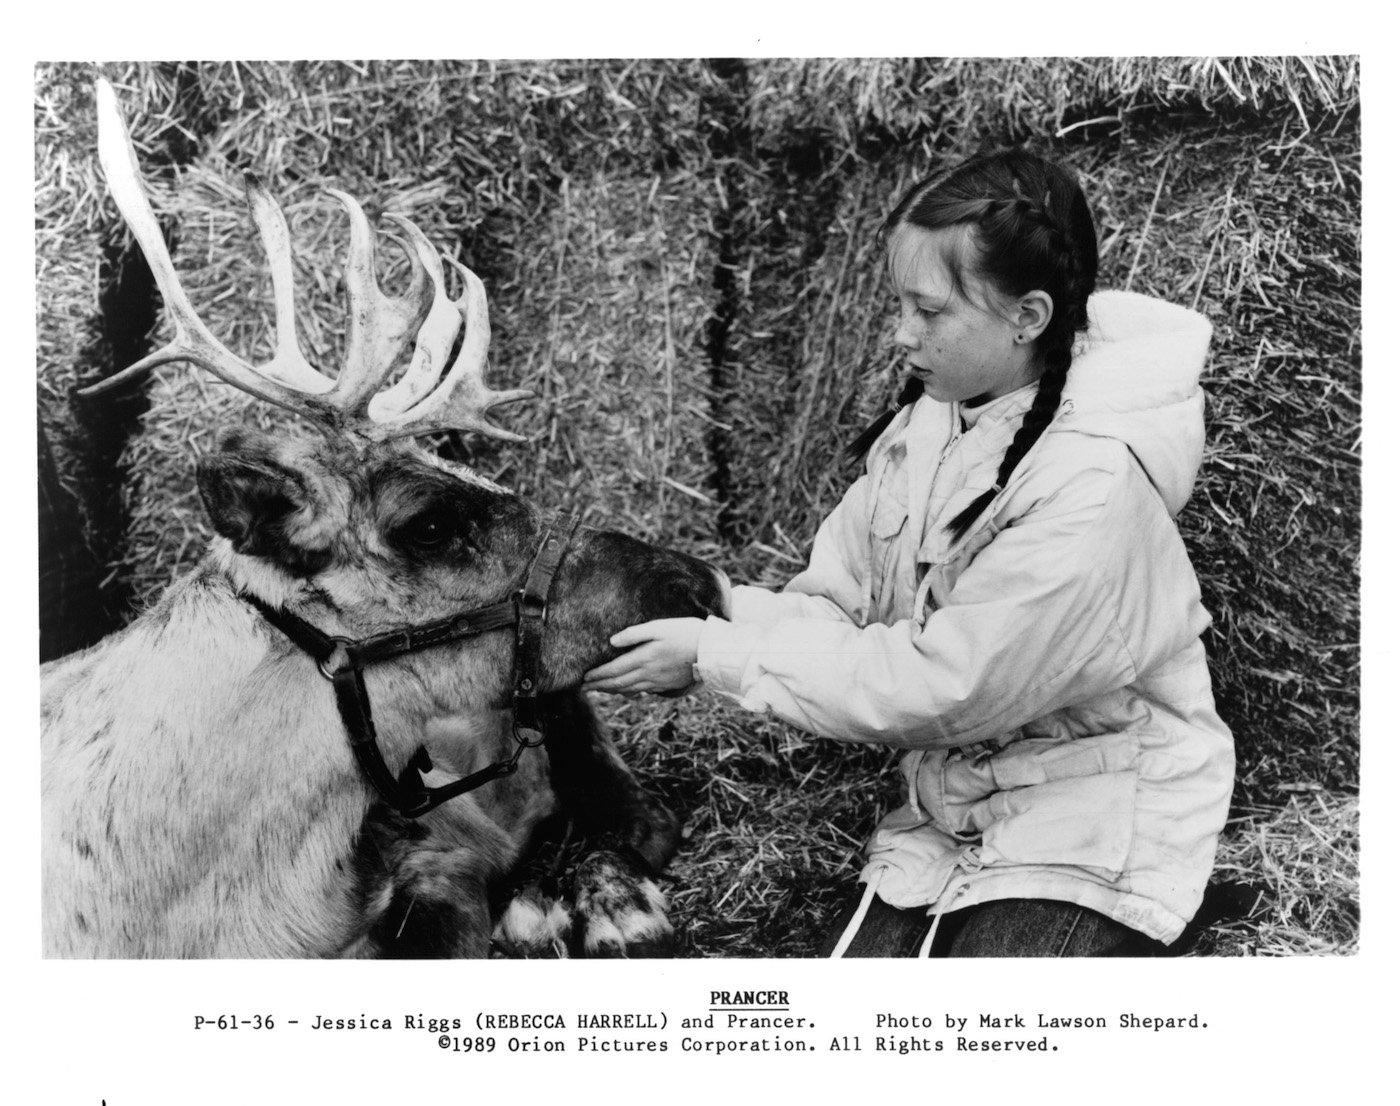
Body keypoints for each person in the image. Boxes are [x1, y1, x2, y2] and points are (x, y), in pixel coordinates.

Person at [582, 149, 1234, 957]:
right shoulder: (931, 425)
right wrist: (708, 600)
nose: (900, 334)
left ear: (1027, 317)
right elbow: (839, 607)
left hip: (1097, 810)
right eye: (901, 306)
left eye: (928, 312)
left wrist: (719, 657)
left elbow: (942, 686)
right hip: (955, 803)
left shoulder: (1089, 484)